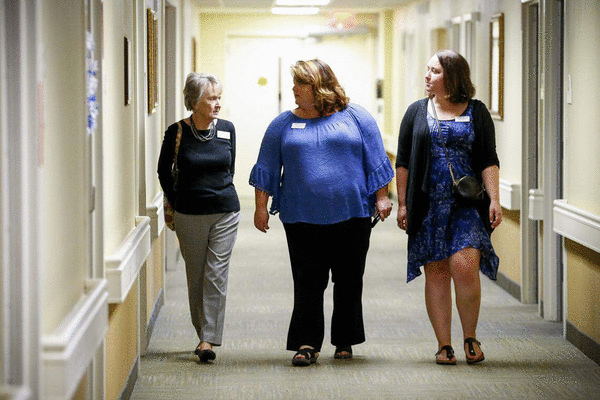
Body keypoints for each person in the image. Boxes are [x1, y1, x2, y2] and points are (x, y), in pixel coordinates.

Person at [249, 59, 394, 367]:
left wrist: (382, 197)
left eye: (300, 83)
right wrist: (261, 208)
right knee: (307, 281)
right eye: (294, 83)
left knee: (349, 279)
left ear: (319, 87)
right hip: (301, 215)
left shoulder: (356, 117)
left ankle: (345, 339)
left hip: (352, 213)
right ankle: (307, 343)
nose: (294, 89)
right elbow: (266, 167)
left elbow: (376, 158)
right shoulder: (283, 124)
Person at [396, 50, 502, 365]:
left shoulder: (477, 112)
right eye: (427, 69)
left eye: (435, 71)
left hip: (467, 204)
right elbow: (403, 162)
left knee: (465, 266)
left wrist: (495, 198)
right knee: (437, 272)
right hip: (428, 204)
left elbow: (489, 159)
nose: (427, 75)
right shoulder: (416, 112)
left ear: (453, 76)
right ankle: (444, 344)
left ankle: (470, 336)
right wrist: (402, 203)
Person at [157, 73, 240, 363]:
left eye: (219, 97)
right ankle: (202, 331)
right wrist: (178, 200)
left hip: (225, 210)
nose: (217, 103)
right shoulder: (177, 132)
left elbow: (230, 168)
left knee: (216, 274)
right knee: (197, 275)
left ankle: (208, 339)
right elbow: (163, 171)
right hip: (189, 213)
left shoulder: (227, 129)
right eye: (211, 98)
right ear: (194, 102)